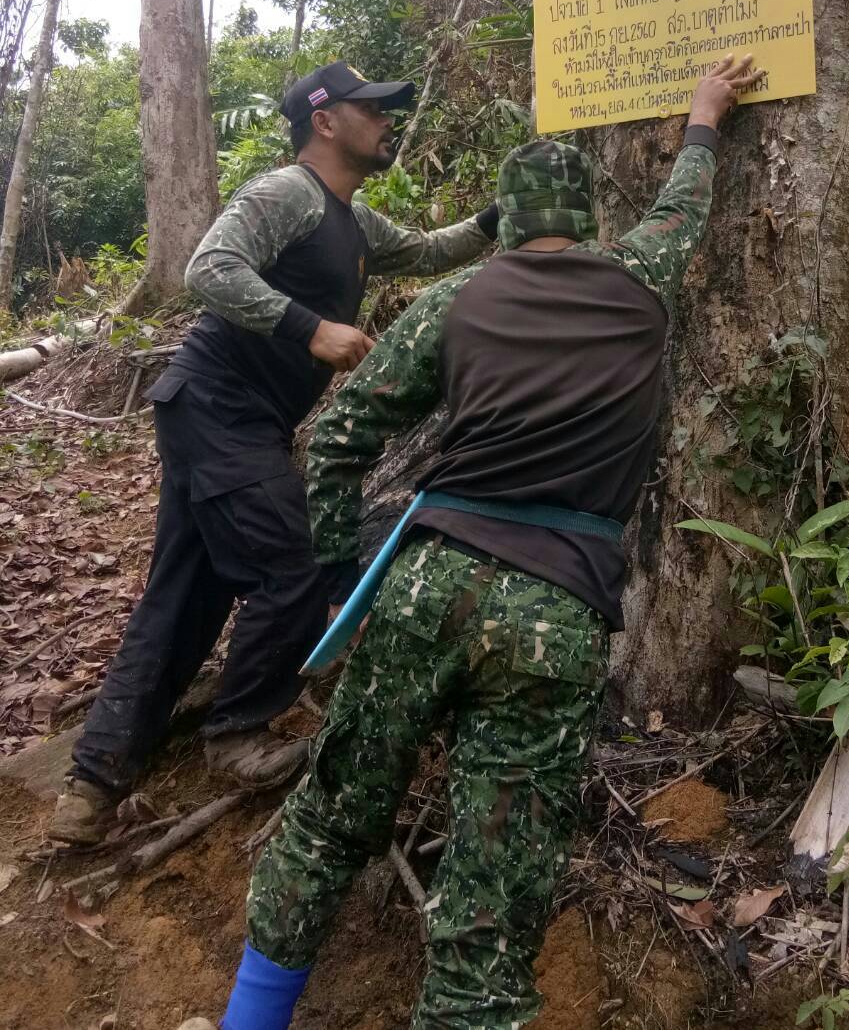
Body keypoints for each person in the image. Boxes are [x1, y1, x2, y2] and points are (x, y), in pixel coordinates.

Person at [197, 53, 763, 1030]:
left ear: (506, 220)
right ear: (586, 215)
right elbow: (683, 205)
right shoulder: (640, 277)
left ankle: (250, 1020)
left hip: (426, 583)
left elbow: (341, 434)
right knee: (496, 881)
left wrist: (337, 576)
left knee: (331, 817)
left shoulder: (454, 298)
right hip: (558, 608)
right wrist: (705, 115)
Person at [51, 62, 500, 846]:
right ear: (324, 121)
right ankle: (236, 732)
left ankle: (92, 785)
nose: (388, 120)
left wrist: (503, 214)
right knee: (294, 564)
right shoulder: (288, 192)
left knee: (186, 591)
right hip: (218, 405)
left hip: (226, 416)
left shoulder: (353, 222)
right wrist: (311, 327)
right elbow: (208, 268)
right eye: (372, 109)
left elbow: (432, 249)